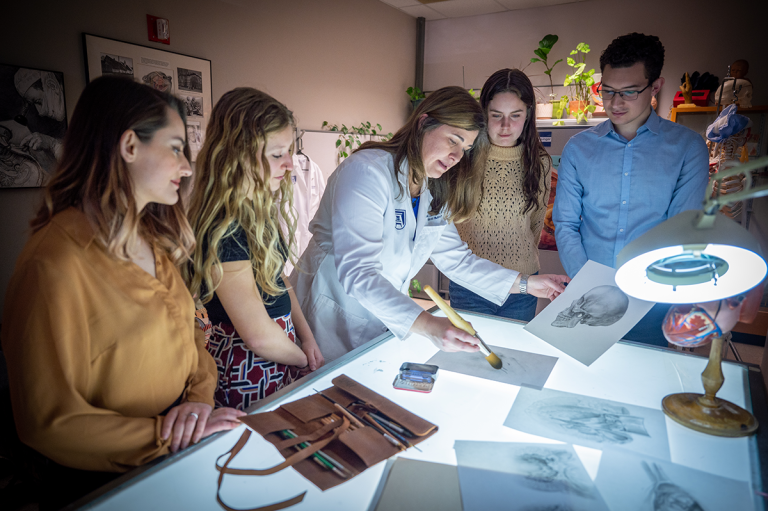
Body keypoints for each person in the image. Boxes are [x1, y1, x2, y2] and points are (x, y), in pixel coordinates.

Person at [1, 76, 244, 508]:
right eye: (175, 148)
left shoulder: (154, 240)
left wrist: (196, 402)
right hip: (105, 481)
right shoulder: (54, 264)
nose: (187, 167)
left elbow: (193, 339)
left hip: (176, 450)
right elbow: (47, 422)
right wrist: (163, 435)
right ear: (129, 146)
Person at [291, 86, 570, 362]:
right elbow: (359, 272)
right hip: (327, 315)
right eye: (453, 140)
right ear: (424, 123)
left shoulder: (431, 188)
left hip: (381, 317)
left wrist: (529, 285)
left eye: (465, 148)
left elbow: (457, 261)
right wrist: (428, 325)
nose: (457, 157)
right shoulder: (366, 172)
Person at [553, 33, 709, 346]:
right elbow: (566, 224)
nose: (615, 103)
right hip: (587, 297)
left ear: (655, 87)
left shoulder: (687, 148)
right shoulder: (578, 148)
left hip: (651, 303)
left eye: (628, 92)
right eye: (607, 91)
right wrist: (589, 285)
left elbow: (681, 231)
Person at [185, 88, 323, 412]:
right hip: (246, 366)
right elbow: (258, 336)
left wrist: (307, 337)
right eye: (277, 155)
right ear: (237, 153)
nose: (290, 165)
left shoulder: (254, 209)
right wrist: (302, 358)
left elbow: (278, 281)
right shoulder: (225, 227)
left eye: (290, 151)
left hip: (281, 351)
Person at [451, 69, 552, 322]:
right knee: (471, 356)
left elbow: (535, 225)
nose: (506, 126)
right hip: (471, 284)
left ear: (528, 115)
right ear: (484, 113)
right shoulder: (463, 156)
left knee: (513, 357)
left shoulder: (539, 162)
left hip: (524, 286)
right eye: (496, 115)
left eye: (515, 115)